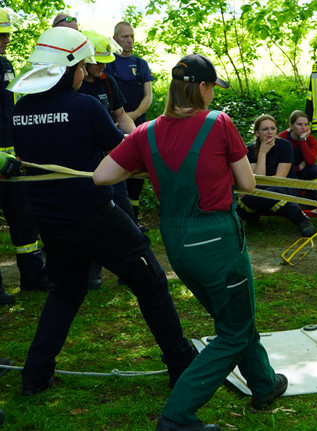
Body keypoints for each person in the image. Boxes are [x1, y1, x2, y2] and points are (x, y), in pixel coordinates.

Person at [94, 53, 288, 431]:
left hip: (179, 247)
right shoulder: (219, 123)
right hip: (217, 241)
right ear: (201, 87)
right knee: (232, 331)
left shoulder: (145, 131)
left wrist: (144, 164)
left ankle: (263, 384)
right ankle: (177, 415)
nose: (214, 94)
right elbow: (248, 185)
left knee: (234, 317)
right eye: (212, 86)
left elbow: (102, 175)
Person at [9, 27, 196, 397]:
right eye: (81, 65)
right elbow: (125, 154)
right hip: (96, 218)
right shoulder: (84, 106)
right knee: (152, 283)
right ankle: (181, 365)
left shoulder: (22, 110)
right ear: (68, 69)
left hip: (52, 222)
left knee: (66, 291)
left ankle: (35, 375)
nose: (85, 71)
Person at [0, 8, 52, 304]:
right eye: (1, 34)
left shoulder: (5, 64)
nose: (6, 39)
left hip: (14, 161)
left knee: (25, 220)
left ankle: (33, 277)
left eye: (6, 33)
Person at [79, 29, 137, 290]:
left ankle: (132, 268)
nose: (102, 67)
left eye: (105, 62)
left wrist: (137, 139)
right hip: (84, 163)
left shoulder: (108, 82)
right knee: (90, 216)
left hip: (112, 160)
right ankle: (92, 271)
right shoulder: (75, 84)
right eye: (97, 62)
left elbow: (121, 114)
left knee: (124, 213)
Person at [237, 114, 317, 237]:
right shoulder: (250, 149)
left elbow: (278, 179)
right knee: (248, 195)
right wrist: (262, 153)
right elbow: (258, 179)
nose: (269, 132)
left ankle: (302, 220)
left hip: (285, 186)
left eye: (273, 128)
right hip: (262, 189)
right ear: (257, 133)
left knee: (270, 192)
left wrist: (255, 187)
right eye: (265, 129)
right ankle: (236, 225)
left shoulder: (284, 145)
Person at [108, 21, 153, 227]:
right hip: (115, 127)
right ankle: (120, 222)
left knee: (137, 174)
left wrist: (132, 116)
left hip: (137, 124)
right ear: (115, 38)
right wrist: (121, 119)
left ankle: (135, 221)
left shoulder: (141, 63)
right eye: (125, 36)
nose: (129, 40)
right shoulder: (108, 63)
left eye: (132, 36)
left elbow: (148, 96)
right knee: (119, 175)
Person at [277, 110, 317, 201]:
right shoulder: (281, 138)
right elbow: (276, 163)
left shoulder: (311, 141)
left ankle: (312, 202)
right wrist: (298, 168)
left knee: (314, 169)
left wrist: (302, 140)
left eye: (306, 124)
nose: (304, 128)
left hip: (303, 173)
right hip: (285, 172)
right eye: (299, 124)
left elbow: (310, 161)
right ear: (291, 126)